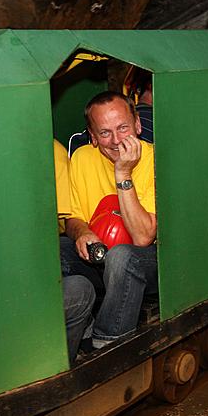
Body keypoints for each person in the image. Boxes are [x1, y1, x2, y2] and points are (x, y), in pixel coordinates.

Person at [60, 92, 158, 349]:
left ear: (137, 124)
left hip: (148, 260)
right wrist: (81, 232)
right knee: (55, 250)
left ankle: (108, 343)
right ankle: (80, 322)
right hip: (99, 255)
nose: (116, 141)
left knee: (122, 257)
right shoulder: (82, 158)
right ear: (92, 136)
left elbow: (143, 237)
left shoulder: (156, 159)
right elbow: (73, 218)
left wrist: (123, 172)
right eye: (104, 133)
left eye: (123, 128)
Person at [53, 139, 96, 363]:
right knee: (81, 289)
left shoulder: (55, 152)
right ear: (94, 136)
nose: (116, 140)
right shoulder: (71, 155)